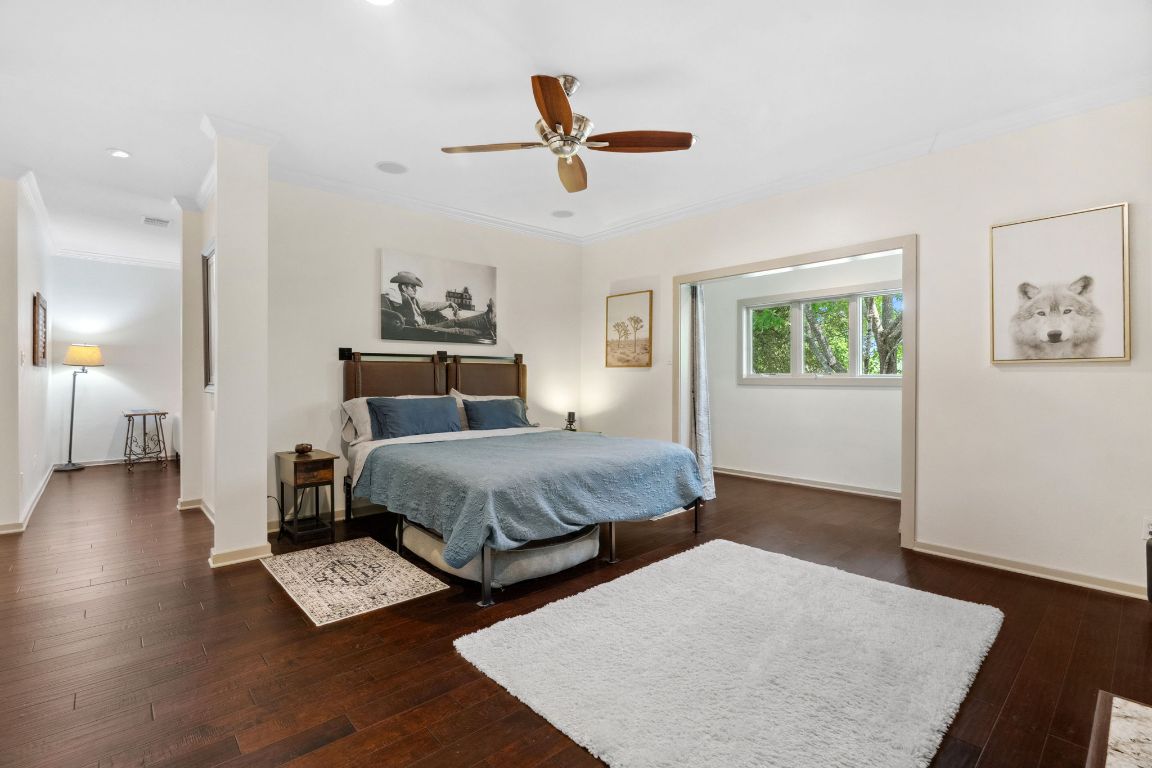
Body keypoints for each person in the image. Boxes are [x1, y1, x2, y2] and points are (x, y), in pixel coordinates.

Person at [385, 271, 496, 337]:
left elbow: (432, 305)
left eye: (415, 287)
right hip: (419, 329)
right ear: (404, 287)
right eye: (412, 287)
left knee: (454, 322)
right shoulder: (398, 297)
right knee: (456, 331)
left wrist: (449, 304)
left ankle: (486, 319)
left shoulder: (416, 301)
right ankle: (485, 327)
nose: (415, 290)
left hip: (426, 326)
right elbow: (389, 295)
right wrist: (397, 292)